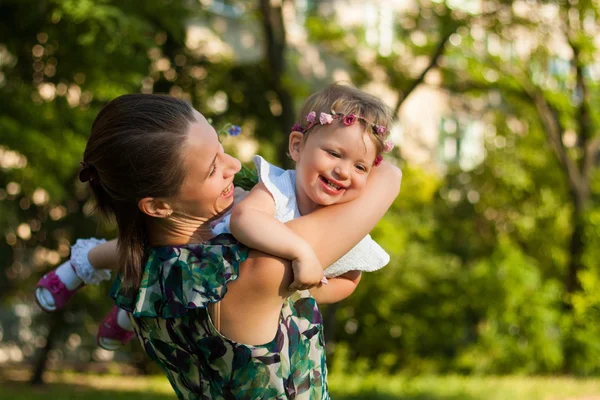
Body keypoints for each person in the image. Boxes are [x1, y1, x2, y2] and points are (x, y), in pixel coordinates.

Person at [35, 93, 401, 398]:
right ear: (158, 206)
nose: (236, 164)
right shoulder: (261, 267)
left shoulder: (146, 268)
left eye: (222, 148)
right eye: (212, 169)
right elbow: (389, 176)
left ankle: (80, 264)